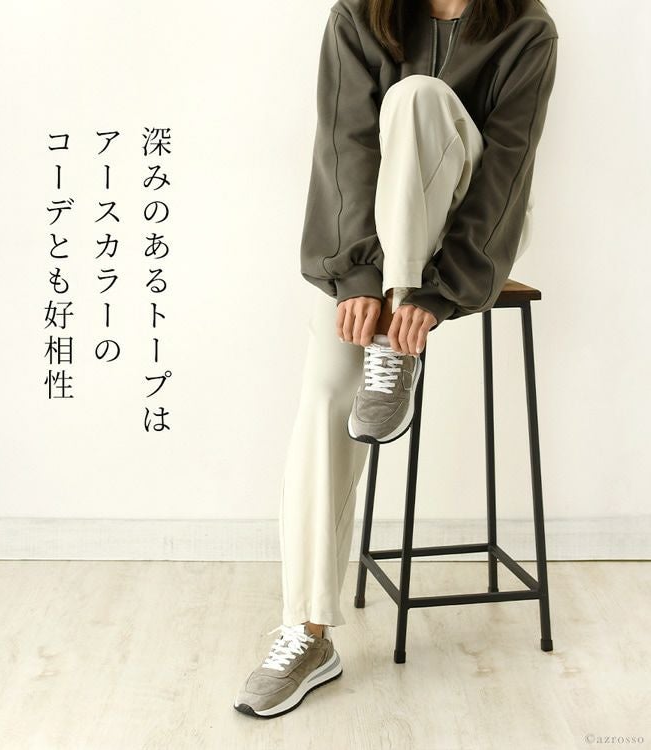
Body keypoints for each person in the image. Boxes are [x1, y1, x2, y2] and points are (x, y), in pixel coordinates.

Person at [234, 0, 558, 718]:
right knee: (325, 395)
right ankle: (307, 632)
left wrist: (433, 292)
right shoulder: (360, 14)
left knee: (418, 97)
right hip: (368, 240)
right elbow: (344, 148)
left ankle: (397, 327)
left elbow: (507, 172)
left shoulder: (526, 28)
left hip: (470, 233)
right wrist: (357, 276)